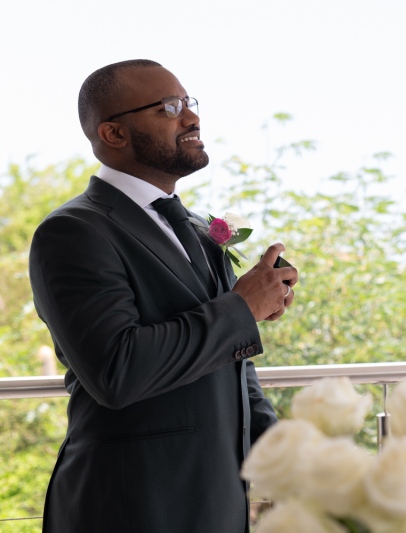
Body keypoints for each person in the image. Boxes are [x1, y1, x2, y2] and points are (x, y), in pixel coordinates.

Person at [28, 59, 298, 533]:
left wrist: (283, 457)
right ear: (113, 134)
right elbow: (118, 369)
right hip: (130, 507)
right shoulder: (73, 231)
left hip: (218, 503)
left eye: (189, 103)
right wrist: (241, 308)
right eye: (169, 107)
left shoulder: (198, 228)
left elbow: (232, 361)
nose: (191, 118)